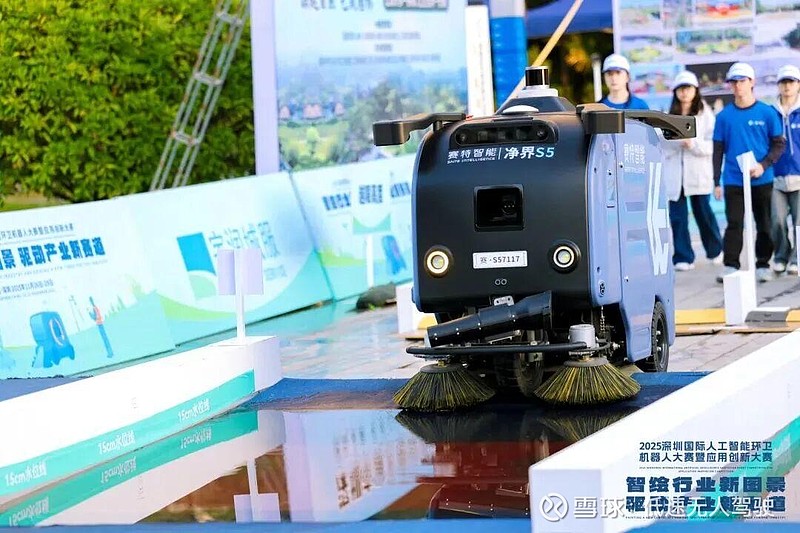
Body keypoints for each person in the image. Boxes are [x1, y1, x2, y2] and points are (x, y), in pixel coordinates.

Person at [712, 62, 786, 283]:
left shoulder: (767, 112)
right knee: (734, 223)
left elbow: (778, 144)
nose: (738, 86)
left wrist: (763, 165)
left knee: (764, 223)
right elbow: (718, 150)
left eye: (742, 81)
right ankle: (731, 266)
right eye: (734, 82)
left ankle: (763, 264)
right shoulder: (724, 117)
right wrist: (716, 181)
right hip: (734, 179)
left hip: (762, 178)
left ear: (752, 82)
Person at [661, 70, 723, 271]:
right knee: (678, 218)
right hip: (675, 175)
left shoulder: (705, 114)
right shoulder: (668, 113)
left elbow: (712, 144)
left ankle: (715, 250)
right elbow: (661, 142)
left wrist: (693, 144)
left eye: (688, 88)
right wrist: (677, 142)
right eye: (680, 88)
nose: (684, 92)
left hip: (697, 173)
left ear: (695, 90)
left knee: (703, 214)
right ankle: (683, 256)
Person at [770, 64, 800, 275]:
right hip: (776, 176)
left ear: (798, 85)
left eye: (791, 82)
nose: (787, 86)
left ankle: (797, 259)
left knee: (799, 222)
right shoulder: (770, 113)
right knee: (777, 220)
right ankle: (781, 255)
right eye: (783, 82)